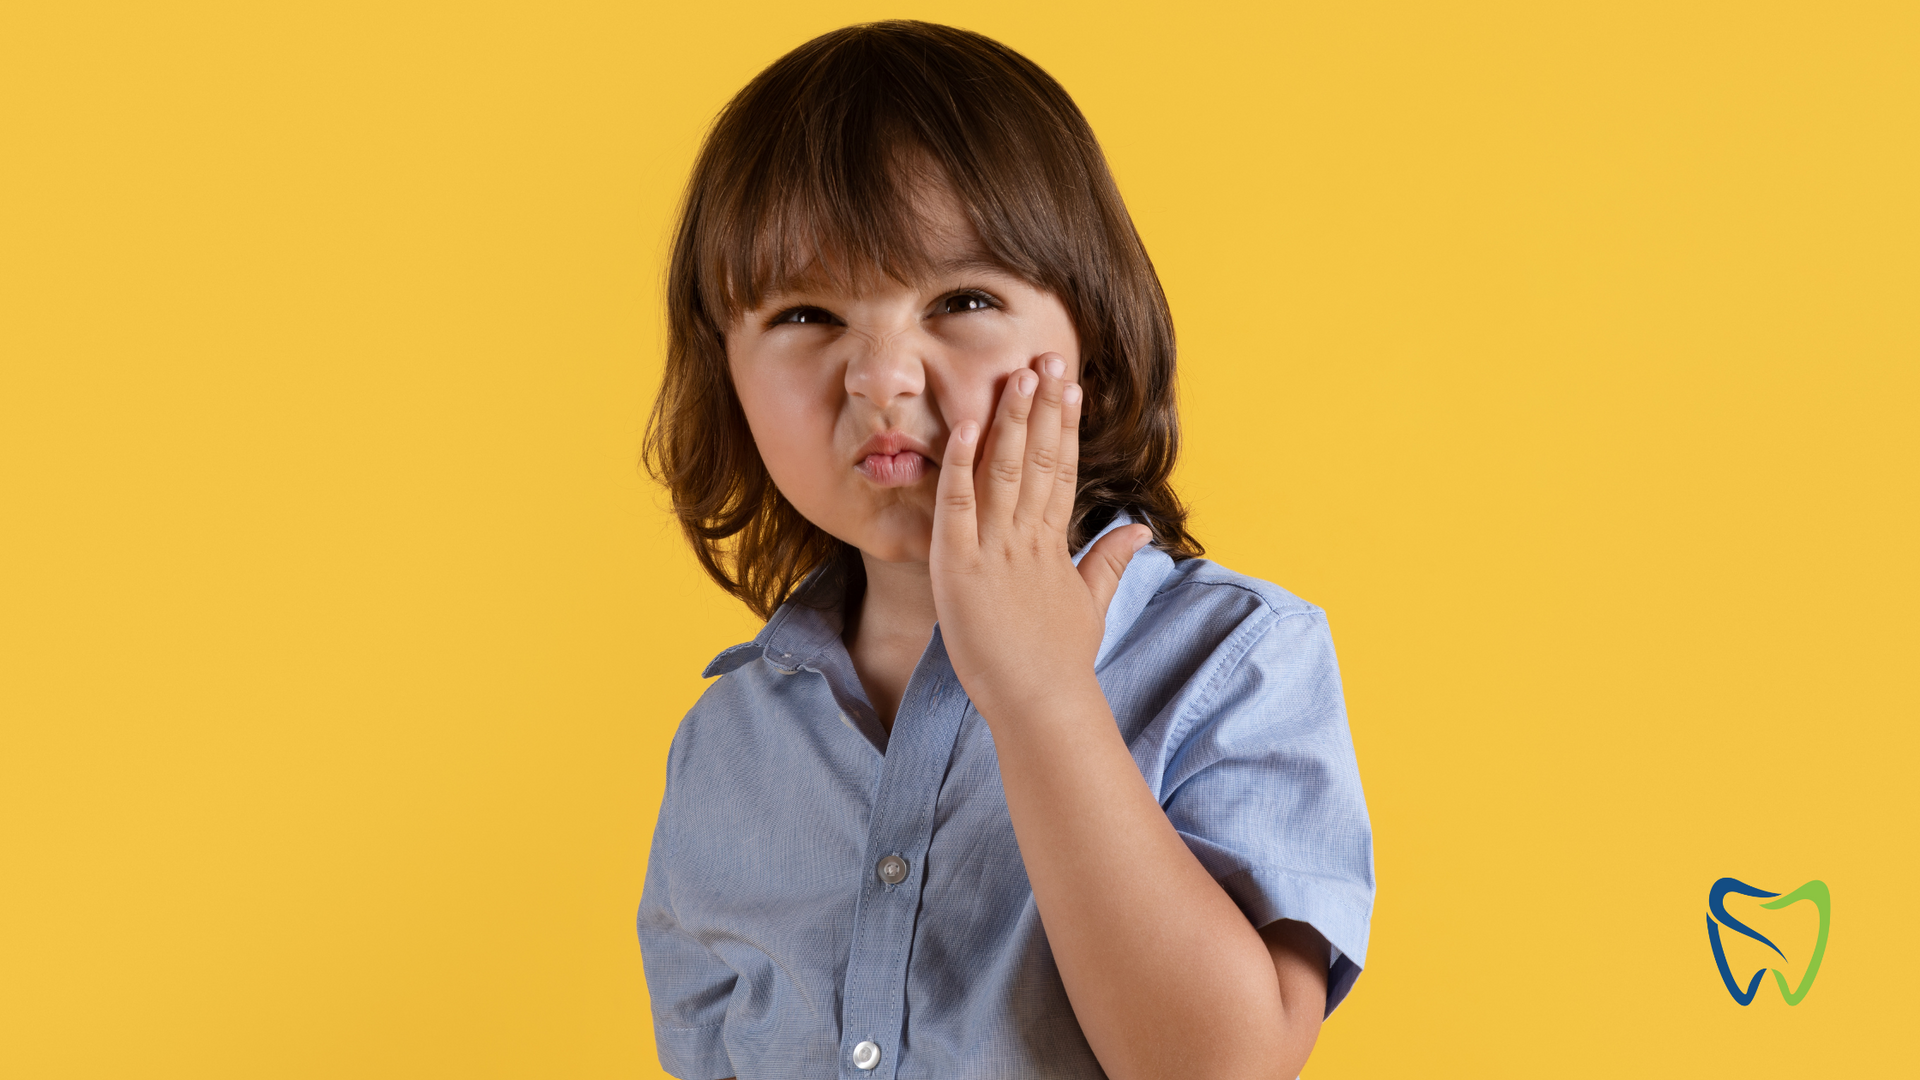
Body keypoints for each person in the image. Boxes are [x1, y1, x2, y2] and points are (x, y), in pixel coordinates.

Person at [637, 20, 1373, 1080]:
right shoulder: (727, 744)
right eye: (807, 313)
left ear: (1093, 335)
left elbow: (1223, 1068)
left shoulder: (1236, 660)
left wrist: (1039, 694)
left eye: (963, 301)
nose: (883, 377)